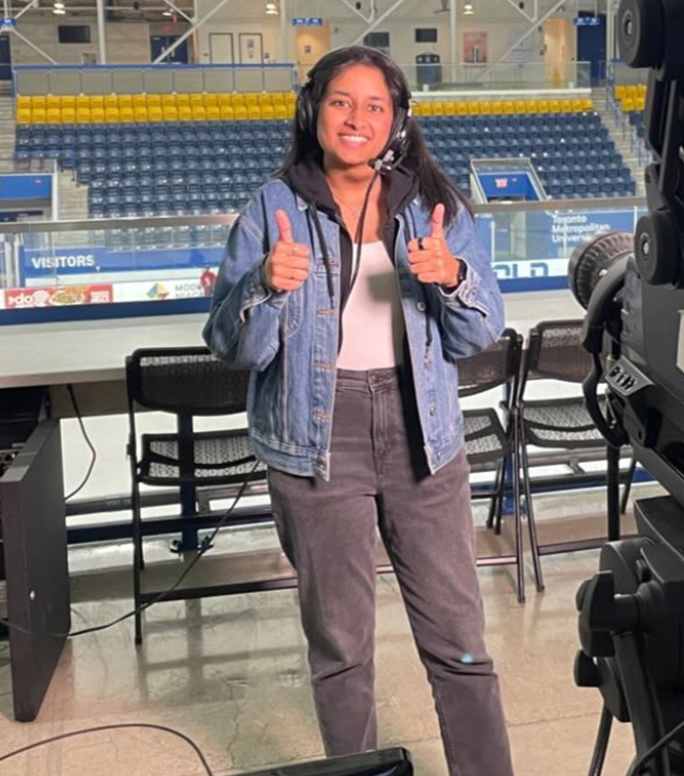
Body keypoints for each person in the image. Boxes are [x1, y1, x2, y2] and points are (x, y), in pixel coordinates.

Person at [203, 46, 514, 776]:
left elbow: (481, 331)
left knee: (461, 642)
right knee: (342, 649)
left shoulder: (431, 203)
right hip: (317, 441)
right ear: (314, 110)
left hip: (424, 437)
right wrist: (263, 286)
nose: (358, 118)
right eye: (343, 101)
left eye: (376, 106)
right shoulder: (272, 208)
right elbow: (232, 347)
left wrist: (453, 275)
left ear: (397, 121)